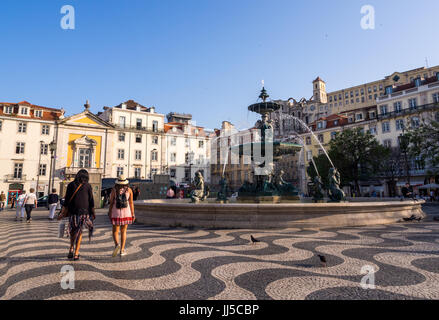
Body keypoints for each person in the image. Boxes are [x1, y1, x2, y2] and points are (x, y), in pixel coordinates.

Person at [62, 169, 95, 261]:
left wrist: (63, 212)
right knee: (79, 232)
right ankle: (76, 253)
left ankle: (71, 248)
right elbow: (91, 200)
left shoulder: (71, 185)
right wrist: (93, 212)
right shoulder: (88, 186)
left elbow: (67, 200)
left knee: (73, 232)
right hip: (84, 212)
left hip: (73, 212)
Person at [108, 175, 135, 257]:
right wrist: (133, 213)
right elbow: (131, 203)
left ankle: (117, 245)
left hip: (116, 212)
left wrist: (109, 212)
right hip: (126, 213)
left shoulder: (114, 190)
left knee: (115, 231)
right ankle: (122, 250)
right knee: (124, 231)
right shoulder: (129, 190)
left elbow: (111, 202)